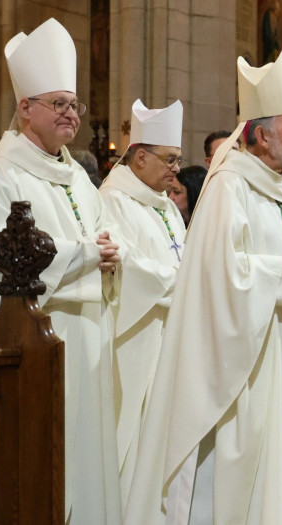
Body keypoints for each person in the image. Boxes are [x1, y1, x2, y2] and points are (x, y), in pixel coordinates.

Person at [124, 50, 282, 525]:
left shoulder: (272, 187)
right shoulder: (229, 185)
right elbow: (217, 275)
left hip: (277, 353)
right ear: (261, 135)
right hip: (241, 369)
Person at [0, 18, 122, 524]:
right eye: (59, 104)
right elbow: (2, 267)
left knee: (89, 459)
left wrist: (111, 253)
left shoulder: (77, 175)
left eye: (74, 104)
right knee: (44, 464)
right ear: (25, 109)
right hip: (37, 340)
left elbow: (104, 237)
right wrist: (88, 254)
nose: (71, 114)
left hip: (89, 337)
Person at [99, 99, 187, 509]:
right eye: (169, 160)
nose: (175, 169)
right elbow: (125, 266)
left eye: (179, 160)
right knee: (136, 433)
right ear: (138, 157)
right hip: (139, 335)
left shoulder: (168, 206)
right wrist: (186, 284)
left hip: (175, 331)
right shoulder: (113, 200)